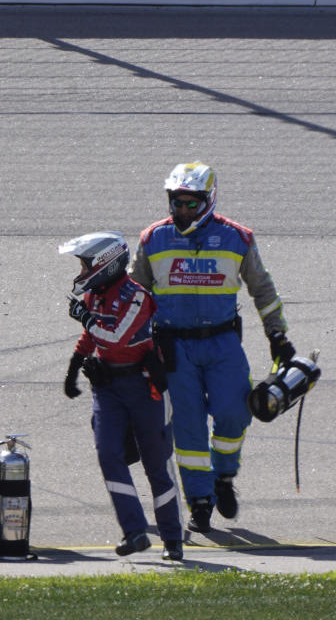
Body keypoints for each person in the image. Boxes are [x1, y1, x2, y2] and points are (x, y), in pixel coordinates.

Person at [129, 162, 295, 533]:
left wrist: (277, 336)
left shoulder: (238, 238)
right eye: (177, 203)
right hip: (174, 349)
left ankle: (224, 477)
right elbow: (134, 297)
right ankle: (200, 501)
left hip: (222, 344)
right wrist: (130, 349)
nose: (183, 211)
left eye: (191, 204)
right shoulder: (152, 239)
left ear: (209, 201)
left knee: (235, 413)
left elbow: (263, 290)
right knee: (188, 428)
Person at [60, 231, 183, 561]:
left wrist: (85, 317)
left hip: (145, 389)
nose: (81, 272)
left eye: (86, 265)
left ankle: (173, 538)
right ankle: (135, 531)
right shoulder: (95, 295)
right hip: (108, 389)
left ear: (105, 265)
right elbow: (92, 336)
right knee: (109, 454)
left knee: (157, 465)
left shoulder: (137, 296)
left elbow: (114, 335)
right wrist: (74, 366)